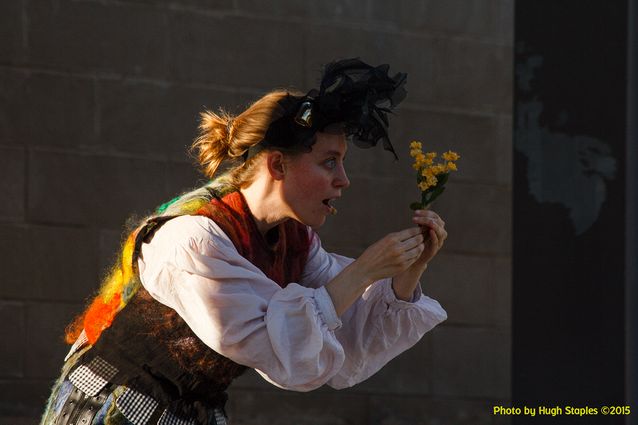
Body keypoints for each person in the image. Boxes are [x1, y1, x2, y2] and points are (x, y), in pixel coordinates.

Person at [40, 58, 448, 425]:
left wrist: (406, 274)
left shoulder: (297, 242)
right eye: (329, 162)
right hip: (111, 409)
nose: (344, 180)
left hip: (190, 412)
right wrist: (364, 270)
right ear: (277, 164)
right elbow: (281, 349)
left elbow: (342, 342)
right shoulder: (193, 239)